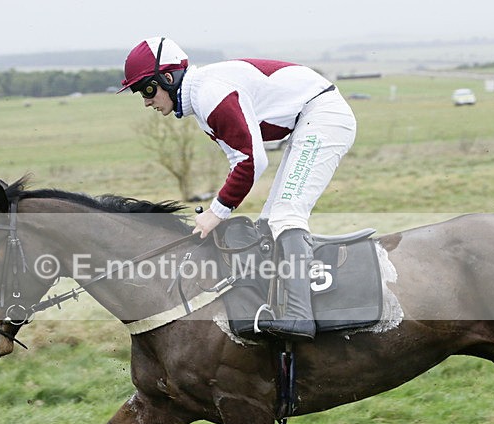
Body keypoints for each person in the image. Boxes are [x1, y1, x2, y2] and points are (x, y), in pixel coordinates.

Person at [120, 37, 357, 341]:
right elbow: (240, 159)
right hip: (307, 120)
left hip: (323, 116)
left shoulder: (210, 95)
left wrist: (215, 213)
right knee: (269, 222)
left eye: (147, 89)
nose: (146, 101)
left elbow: (252, 161)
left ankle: (299, 317)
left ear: (168, 78)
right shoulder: (202, 102)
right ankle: (277, 303)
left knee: (286, 215)